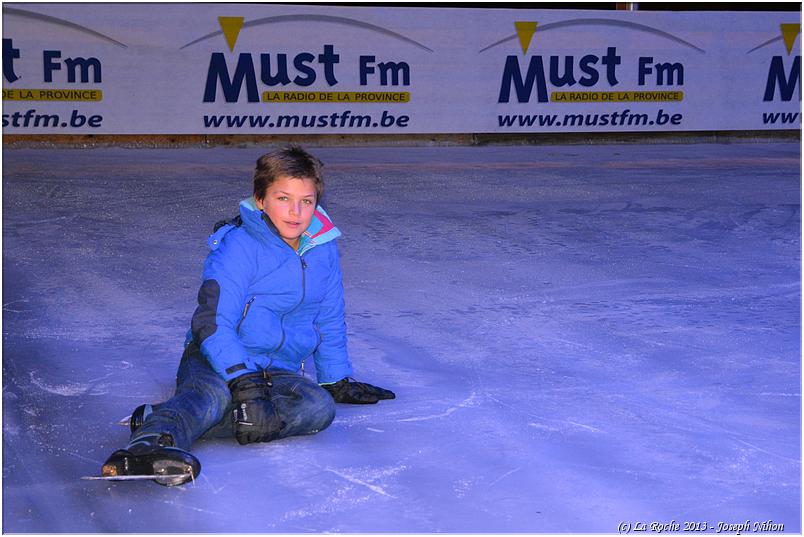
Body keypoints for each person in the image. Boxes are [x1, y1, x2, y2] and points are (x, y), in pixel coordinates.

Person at [100, 146, 395, 486]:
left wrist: (335, 378)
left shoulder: (323, 247)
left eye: (307, 201)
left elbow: (328, 316)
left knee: (318, 408)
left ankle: (172, 414)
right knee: (214, 397)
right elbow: (212, 323)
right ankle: (151, 443)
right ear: (260, 199)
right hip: (218, 359)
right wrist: (243, 382)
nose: (296, 212)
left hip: (276, 369)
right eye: (283, 198)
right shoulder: (238, 246)